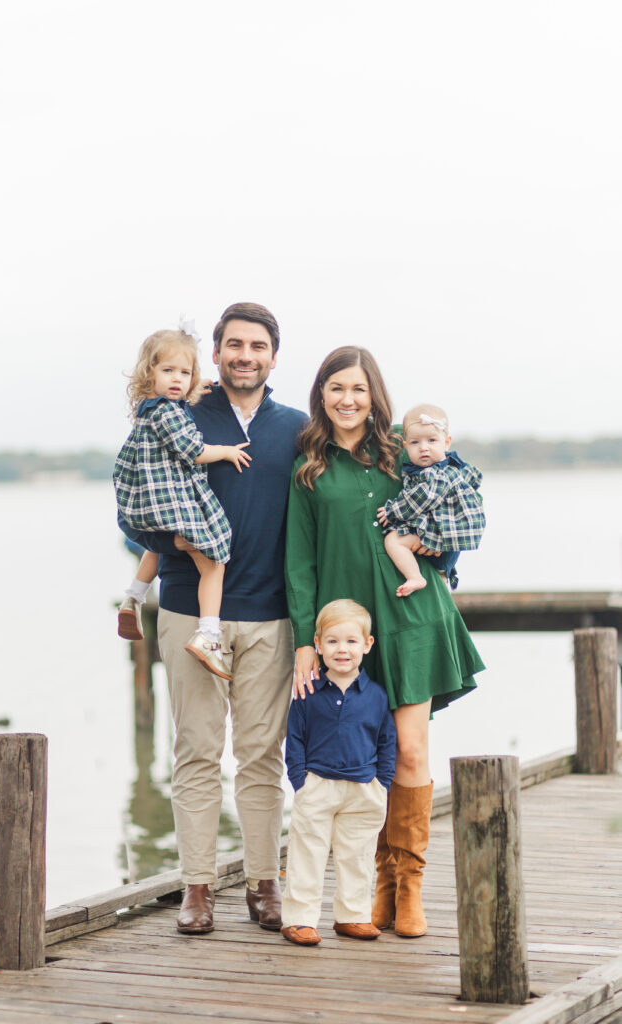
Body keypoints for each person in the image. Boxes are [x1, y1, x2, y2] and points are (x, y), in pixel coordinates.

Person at [118, 302, 306, 935]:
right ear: (217, 353)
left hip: (271, 617)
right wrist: (171, 544)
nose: (245, 356)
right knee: (196, 751)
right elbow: (133, 503)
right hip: (186, 609)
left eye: (257, 346)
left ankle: (263, 883)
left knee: (261, 756)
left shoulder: (296, 428)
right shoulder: (179, 414)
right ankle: (195, 887)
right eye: (234, 345)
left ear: (273, 357)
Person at [285, 347, 485, 939]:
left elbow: (464, 493)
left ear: (375, 396)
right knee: (360, 755)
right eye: (336, 388)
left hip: (413, 615)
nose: (348, 399)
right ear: (321, 395)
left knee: (412, 751)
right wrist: (305, 641)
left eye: (359, 389)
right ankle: (378, 883)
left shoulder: (404, 448)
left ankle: (408, 884)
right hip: (349, 631)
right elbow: (298, 562)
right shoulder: (308, 468)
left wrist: (438, 548)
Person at [113, 321, 251, 679]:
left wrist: (193, 388)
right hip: (172, 500)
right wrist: (225, 451)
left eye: (185, 373)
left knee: (158, 546)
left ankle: (134, 596)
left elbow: (178, 402)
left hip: (153, 504)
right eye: (168, 371)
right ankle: (208, 634)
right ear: (150, 373)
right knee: (214, 562)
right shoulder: (170, 413)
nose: (177, 379)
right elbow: (193, 449)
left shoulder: (150, 408)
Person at [281, 599, 397, 947]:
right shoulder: (307, 691)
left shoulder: (376, 695)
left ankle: (353, 915)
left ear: (367, 644)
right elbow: (295, 738)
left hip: (364, 788)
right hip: (317, 785)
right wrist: (301, 782)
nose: (342, 649)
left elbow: (386, 741)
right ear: (317, 644)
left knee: (358, 856)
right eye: (332, 641)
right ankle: (300, 919)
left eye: (350, 641)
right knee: (307, 854)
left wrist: (381, 783)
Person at [376, 403, 485, 596]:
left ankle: (415, 577)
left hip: (443, 533)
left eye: (432, 440)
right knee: (440, 581)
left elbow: (422, 498)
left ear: (446, 442)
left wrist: (392, 511)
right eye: (415, 443)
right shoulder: (454, 468)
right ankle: (441, 580)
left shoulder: (436, 474)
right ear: (405, 446)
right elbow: (474, 478)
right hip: (448, 537)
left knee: (393, 541)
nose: (423, 448)